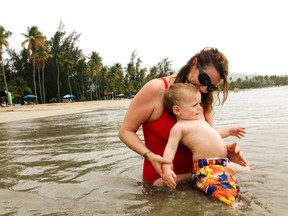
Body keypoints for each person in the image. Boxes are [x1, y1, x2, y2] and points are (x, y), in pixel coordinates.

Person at [118, 47, 248, 187]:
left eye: (211, 87)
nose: (205, 89)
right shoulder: (157, 89)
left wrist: (227, 153)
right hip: (163, 182)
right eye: (204, 80)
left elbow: (203, 140)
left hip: (201, 179)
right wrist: (149, 155)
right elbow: (125, 132)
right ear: (194, 63)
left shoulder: (200, 100)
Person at [162, 83, 250, 206]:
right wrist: (166, 168)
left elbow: (213, 134)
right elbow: (170, 149)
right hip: (207, 167)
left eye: (199, 103)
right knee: (223, 194)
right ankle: (231, 207)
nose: (199, 108)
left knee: (249, 171)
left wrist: (229, 132)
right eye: (194, 105)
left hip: (223, 163)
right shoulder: (179, 127)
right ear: (177, 110)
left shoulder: (200, 120)